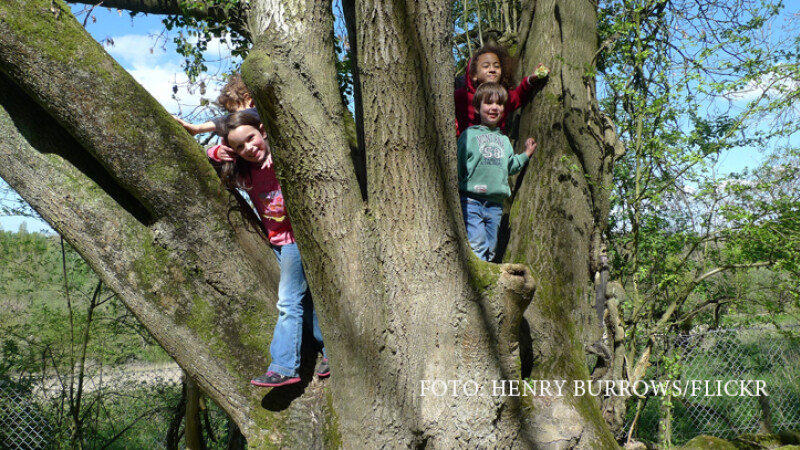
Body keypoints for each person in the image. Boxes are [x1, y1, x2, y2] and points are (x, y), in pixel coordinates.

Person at [212, 111, 330, 387]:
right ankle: (329, 351)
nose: (248, 149)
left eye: (251, 139)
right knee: (307, 300)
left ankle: (284, 367)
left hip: (296, 241)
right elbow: (212, 155)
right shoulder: (247, 174)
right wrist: (218, 150)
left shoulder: (281, 159)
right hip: (277, 242)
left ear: (263, 131)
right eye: (239, 147)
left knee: (288, 302)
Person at [458, 82, 538, 262]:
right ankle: (476, 286)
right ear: (477, 108)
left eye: (499, 104)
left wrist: (526, 155)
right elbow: (457, 165)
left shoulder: (504, 140)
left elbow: (510, 166)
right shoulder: (469, 135)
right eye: (489, 103)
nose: (494, 107)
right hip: (472, 201)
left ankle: (487, 277)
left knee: (492, 249)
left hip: (495, 205)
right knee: (477, 244)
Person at [454, 45, 549, 137]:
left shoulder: (502, 96)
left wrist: (530, 80)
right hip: (470, 148)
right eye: (486, 66)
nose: (492, 70)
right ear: (474, 75)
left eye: (496, 66)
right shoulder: (462, 96)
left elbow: (518, 97)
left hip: (498, 148)